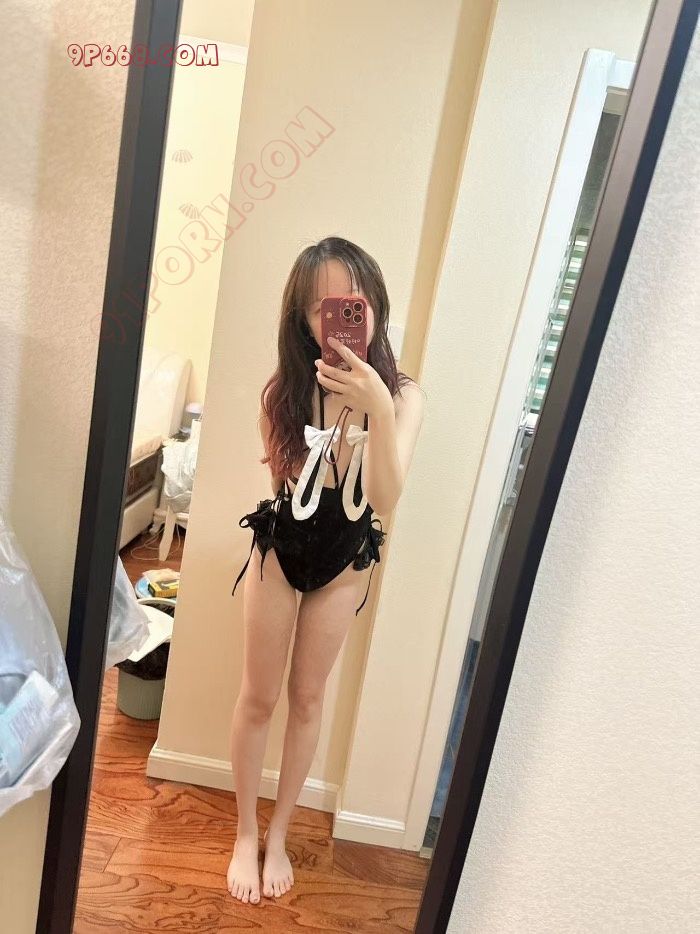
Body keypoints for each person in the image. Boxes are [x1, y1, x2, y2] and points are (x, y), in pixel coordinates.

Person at [226, 236, 425, 904]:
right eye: (323, 307)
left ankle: (280, 834)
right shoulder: (285, 393)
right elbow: (287, 487)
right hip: (282, 547)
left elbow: (385, 499)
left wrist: (377, 407)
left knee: (307, 699)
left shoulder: (404, 397)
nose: (339, 318)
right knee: (259, 696)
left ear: (375, 307)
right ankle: (245, 832)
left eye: (352, 303)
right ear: (304, 320)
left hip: (345, 560)